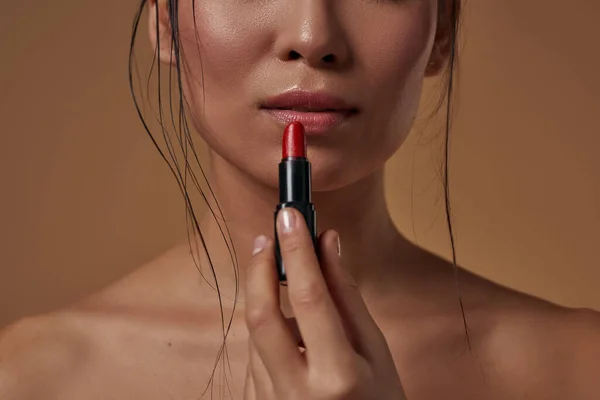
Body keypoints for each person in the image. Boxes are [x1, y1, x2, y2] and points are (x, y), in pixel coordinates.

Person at [1, 0, 599, 399]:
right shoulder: (29, 377)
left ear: (441, 31)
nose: (313, 39)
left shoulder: (578, 369)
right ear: (164, 21)